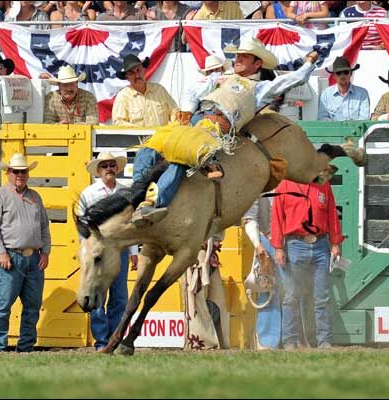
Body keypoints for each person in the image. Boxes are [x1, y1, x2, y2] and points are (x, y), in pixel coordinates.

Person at [131, 38, 318, 226]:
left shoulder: (261, 88)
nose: (237, 59)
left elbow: (295, 79)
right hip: (194, 119)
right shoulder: (221, 77)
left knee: (183, 156)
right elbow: (193, 91)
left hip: (216, 127)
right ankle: (136, 194)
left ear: (257, 64)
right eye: (237, 55)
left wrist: (309, 62)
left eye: (244, 57)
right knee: (149, 146)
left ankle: (154, 204)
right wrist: (187, 110)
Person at [0, 153, 51, 352]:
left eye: (23, 171)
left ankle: (26, 346)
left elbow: (44, 227)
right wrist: (0, 253)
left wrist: (46, 252)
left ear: (28, 173)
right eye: (16, 171)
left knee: (32, 305)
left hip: (34, 258)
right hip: (10, 256)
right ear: (8, 173)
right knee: (3, 304)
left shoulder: (35, 196)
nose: (20, 174)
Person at [270, 178, 344, 349]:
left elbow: (332, 214)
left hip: (320, 245)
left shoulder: (324, 184)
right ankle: (289, 341)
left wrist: (335, 243)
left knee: (322, 296)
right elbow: (277, 217)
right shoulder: (284, 185)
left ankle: (324, 340)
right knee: (292, 295)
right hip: (295, 245)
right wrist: (278, 248)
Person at [78, 152, 139, 350]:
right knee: (96, 294)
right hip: (97, 251)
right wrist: (87, 252)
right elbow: (82, 227)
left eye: (112, 165)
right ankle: (102, 341)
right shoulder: (89, 193)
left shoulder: (125, 191)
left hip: (119, 248)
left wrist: (133, 252)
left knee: (119, 297)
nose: (109, 169)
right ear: (98, 170)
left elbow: (130, 225)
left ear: (117, 168)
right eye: (104, 166)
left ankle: (115, 338)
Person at [242, 195, 285, 350]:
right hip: (267, 240)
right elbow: (250, 218)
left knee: (294, 290)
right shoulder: (259, 186)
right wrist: (258, 245)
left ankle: (291, 338)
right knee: (267, 289)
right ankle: (267, 341)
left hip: (292, 240)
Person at [112, 54, 178, 127]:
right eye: (131, 73)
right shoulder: (123, 97)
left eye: (138, 70)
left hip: (164, 137)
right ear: (127, 77)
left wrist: (177, 121)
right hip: (138, 138)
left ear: (144, 70)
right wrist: (139, 131)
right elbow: (118, 122)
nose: (137, 75)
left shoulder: (160, 90)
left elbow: (174, 112)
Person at [318, 56, 370, 121]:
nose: (342, 76)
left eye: (345, 72)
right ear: (334, 76)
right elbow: (322, 118)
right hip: (333, 131)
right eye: (338, 73)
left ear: (350, 73)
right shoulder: (326, 94)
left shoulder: (362, 93)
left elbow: (364, 119)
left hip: (356, 131)